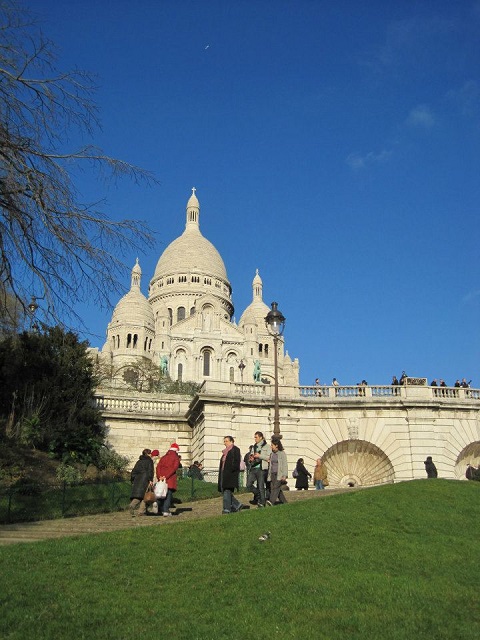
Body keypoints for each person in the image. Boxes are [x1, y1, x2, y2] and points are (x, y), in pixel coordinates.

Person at [218, 435, 244, 514]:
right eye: (224, 441)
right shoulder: (225, 452)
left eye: (226, 441)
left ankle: (227, 509)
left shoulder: (235, 450)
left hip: (230, 474)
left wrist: (232, 470)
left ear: (231, 441)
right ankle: (237, 504)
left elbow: (236, 462)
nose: (225, 443)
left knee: (227, 491)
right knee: (226, 490)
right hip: (224, 473)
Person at [156, 443, 181, 516]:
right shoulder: (175, 457)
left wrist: (159, 476)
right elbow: (174, 468)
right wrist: (165, 476)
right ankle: (166, 510)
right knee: (168, 495)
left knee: (161, 494)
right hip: (169, 479)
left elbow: (158, 467)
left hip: (161, 478)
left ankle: (157, 504)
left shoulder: (163, 457)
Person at [245, 431, 269, 507]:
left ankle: (262, 502)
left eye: (256, 437)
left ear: (261, 437)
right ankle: (259, 495)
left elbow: (269, 457)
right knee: (248, 485)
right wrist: (251, 459)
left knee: (261, 485)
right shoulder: (253, 447)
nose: (255, 439)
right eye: (254, 437)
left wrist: (259, 456)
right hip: (253, 467)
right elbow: (251, 456)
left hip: (261, 468)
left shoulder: (267, 446)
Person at [129, 449, 154, 517]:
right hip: (145, 480)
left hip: (138, 479)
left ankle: (132, 505)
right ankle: (141, 511)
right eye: (150, 453)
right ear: (148, 454)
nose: (151, 454)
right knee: (145, 496)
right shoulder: (149, 461)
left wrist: (133, 479)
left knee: (139, 495)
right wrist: (150, 480)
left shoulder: (139, 461)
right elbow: (150, 471)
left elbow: (134, 471)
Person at [267, 437, 288, 505]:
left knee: (275, 488)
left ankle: (271, 501)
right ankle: (285, 502)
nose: (271, 446)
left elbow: (285, 465)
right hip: (272, 473)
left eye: (272, 445)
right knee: (277, 489)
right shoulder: (272, 454)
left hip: (279, 474)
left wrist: (284, 475)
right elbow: (271, 464)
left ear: (276, 445)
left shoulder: (282, 453)